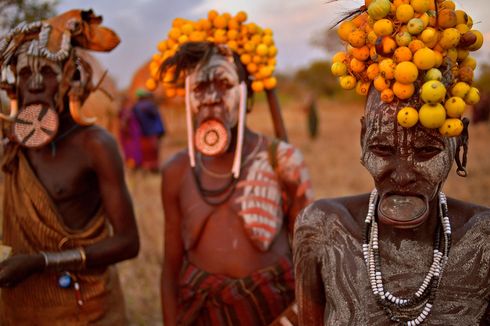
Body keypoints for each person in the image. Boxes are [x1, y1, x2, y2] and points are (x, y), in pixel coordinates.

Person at [294, 3, 489, 325]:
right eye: (382, 149)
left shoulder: (483, 238)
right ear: (362, 139)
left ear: (459, 144)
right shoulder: (322, 229)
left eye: (426, 152)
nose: (401, 175)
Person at [152, 11, 314, 326]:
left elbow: (311, 259)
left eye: (224, 84)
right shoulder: (177, 169)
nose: (211, 98)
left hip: (273, 310)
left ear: (247, 98)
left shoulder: (282, 160)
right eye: (200, 87)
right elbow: (170, 269)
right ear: (187, 99)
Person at [0, 9, 139, 324]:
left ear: (69, 81)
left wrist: (42, 262)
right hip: (19, 309)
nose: (35, 84)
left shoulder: (95, 146)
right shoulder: (10, 146)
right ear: (13, 88)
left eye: (47, 73)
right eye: (24, 75)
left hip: (85, 309)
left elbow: (129, 243)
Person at [133, 88, 165, 172]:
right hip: (153, 131)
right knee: (154, 149)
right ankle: (154, 168)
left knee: (146, 150)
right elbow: (155, 115)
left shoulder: (136, 106)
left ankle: (147, 167)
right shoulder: (149, 105)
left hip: (143, 131)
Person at [119, 95, 143, 169]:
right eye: (129, 102)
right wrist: (127, 131)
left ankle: (134, 165)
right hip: (130, 135)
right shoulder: (126, 111)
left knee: (133, 150)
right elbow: (123, 123)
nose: (131, 104)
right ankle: (133, 166)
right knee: (131, 150)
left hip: (132, 134)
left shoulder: (126, 110)